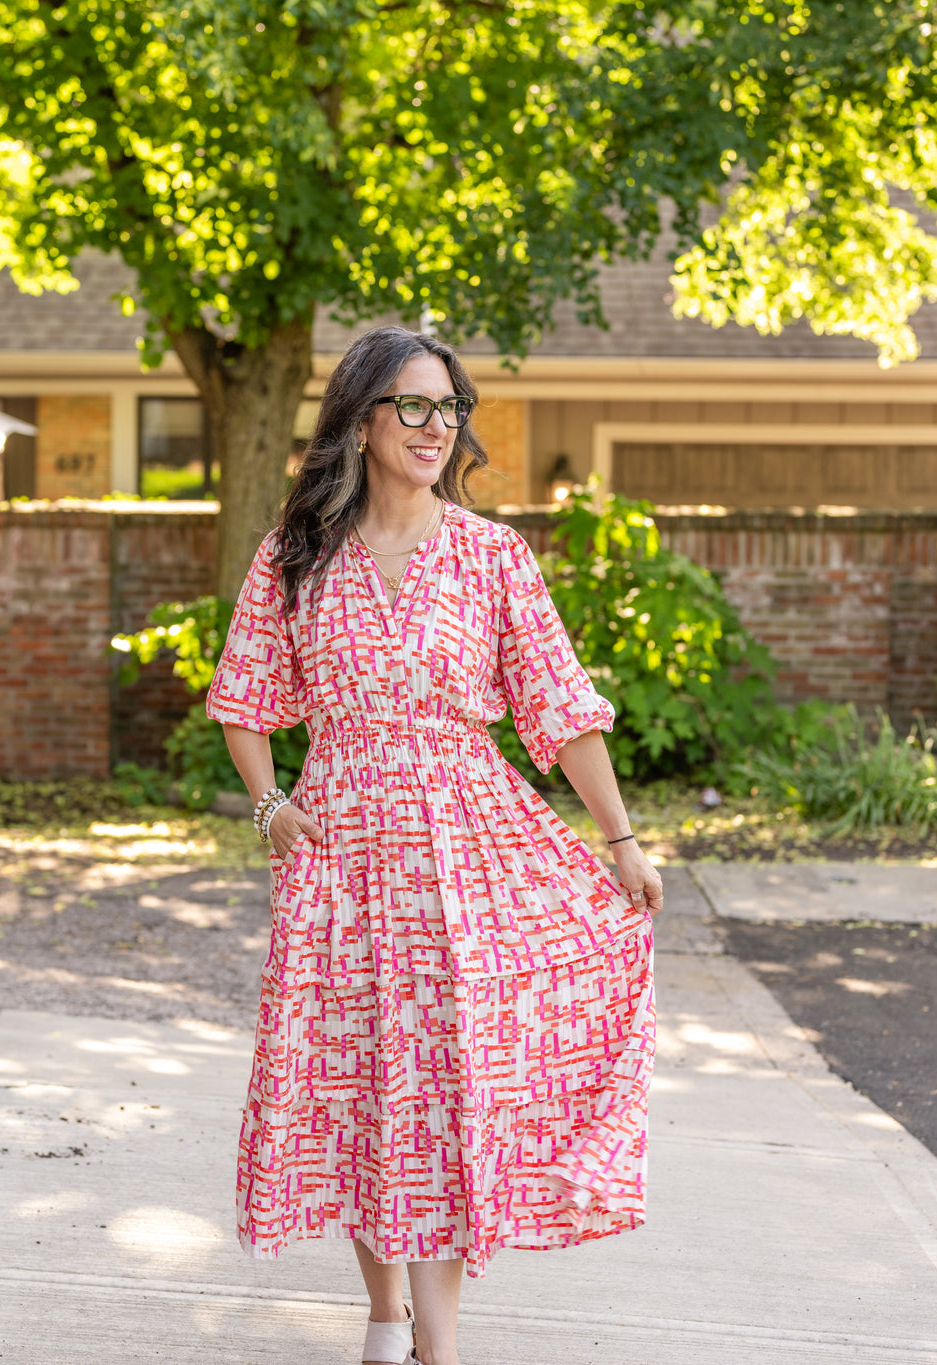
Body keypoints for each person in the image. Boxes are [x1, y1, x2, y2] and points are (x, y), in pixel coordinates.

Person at [207, 325, 663, 1365]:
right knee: (363, 1077)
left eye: (448, 407)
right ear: (362, 420)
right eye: (411, 406)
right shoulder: (296, 554)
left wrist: (620, 839)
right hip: (342, 851)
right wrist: (270, 801)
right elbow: (242, 696)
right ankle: (382, 1313)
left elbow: (559, 703)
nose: (435, 426)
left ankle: (439, 1344)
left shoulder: (491, 554)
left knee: (451, 1082)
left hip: (469, 845)